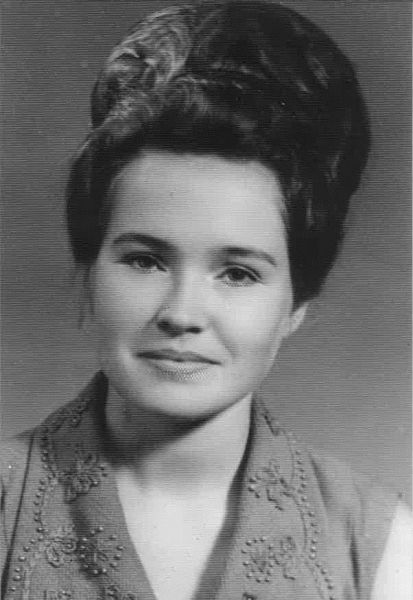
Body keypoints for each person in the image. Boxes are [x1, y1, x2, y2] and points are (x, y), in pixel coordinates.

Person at [0, 2, 411, 599]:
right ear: (88, 272)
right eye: (145, 260)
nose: (182, 314)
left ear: (298, 301)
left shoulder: (380, 547)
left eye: (238, 274)